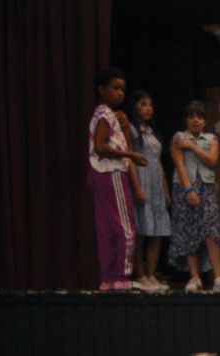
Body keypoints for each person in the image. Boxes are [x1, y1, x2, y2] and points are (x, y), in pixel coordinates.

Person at [87, 67, 147, 291]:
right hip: (111, 173)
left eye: (122, 89)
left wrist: (123, 127)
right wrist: (131, 155)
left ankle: (108, 278)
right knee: (126, 227)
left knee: (107, 227)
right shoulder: (105, 114)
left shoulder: (106, 114)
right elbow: (101, 147)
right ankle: (122, 276)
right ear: (101, 89)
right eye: (115, 88)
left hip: (99, 174)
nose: (120, 93)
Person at [168, 100, 220, 292]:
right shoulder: (179, 137)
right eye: (191, 117)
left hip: (206, 187)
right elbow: (179, 163)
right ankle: (194, 277)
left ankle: (219, 277)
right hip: (185, 186)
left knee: (211, 230)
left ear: (205, 121)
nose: (195, 120)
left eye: (199, 117)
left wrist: (193, 146)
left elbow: (212, 160)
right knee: (188, 229)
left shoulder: (211, 138)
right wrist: (188, 190)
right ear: (186, 120)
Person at [126, 90, 171, 291]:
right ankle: (140, 274)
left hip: (156, 185)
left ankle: (152, 274)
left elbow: (158, 162)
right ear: (134, 106)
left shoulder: (152, 132)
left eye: (150, 105)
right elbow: (128, 159)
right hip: (141, 181)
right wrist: (136, 188)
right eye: (143, 104)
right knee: (142, 229)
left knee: (157, 231)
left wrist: (166, 190)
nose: (148, 108)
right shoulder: (131, 129)